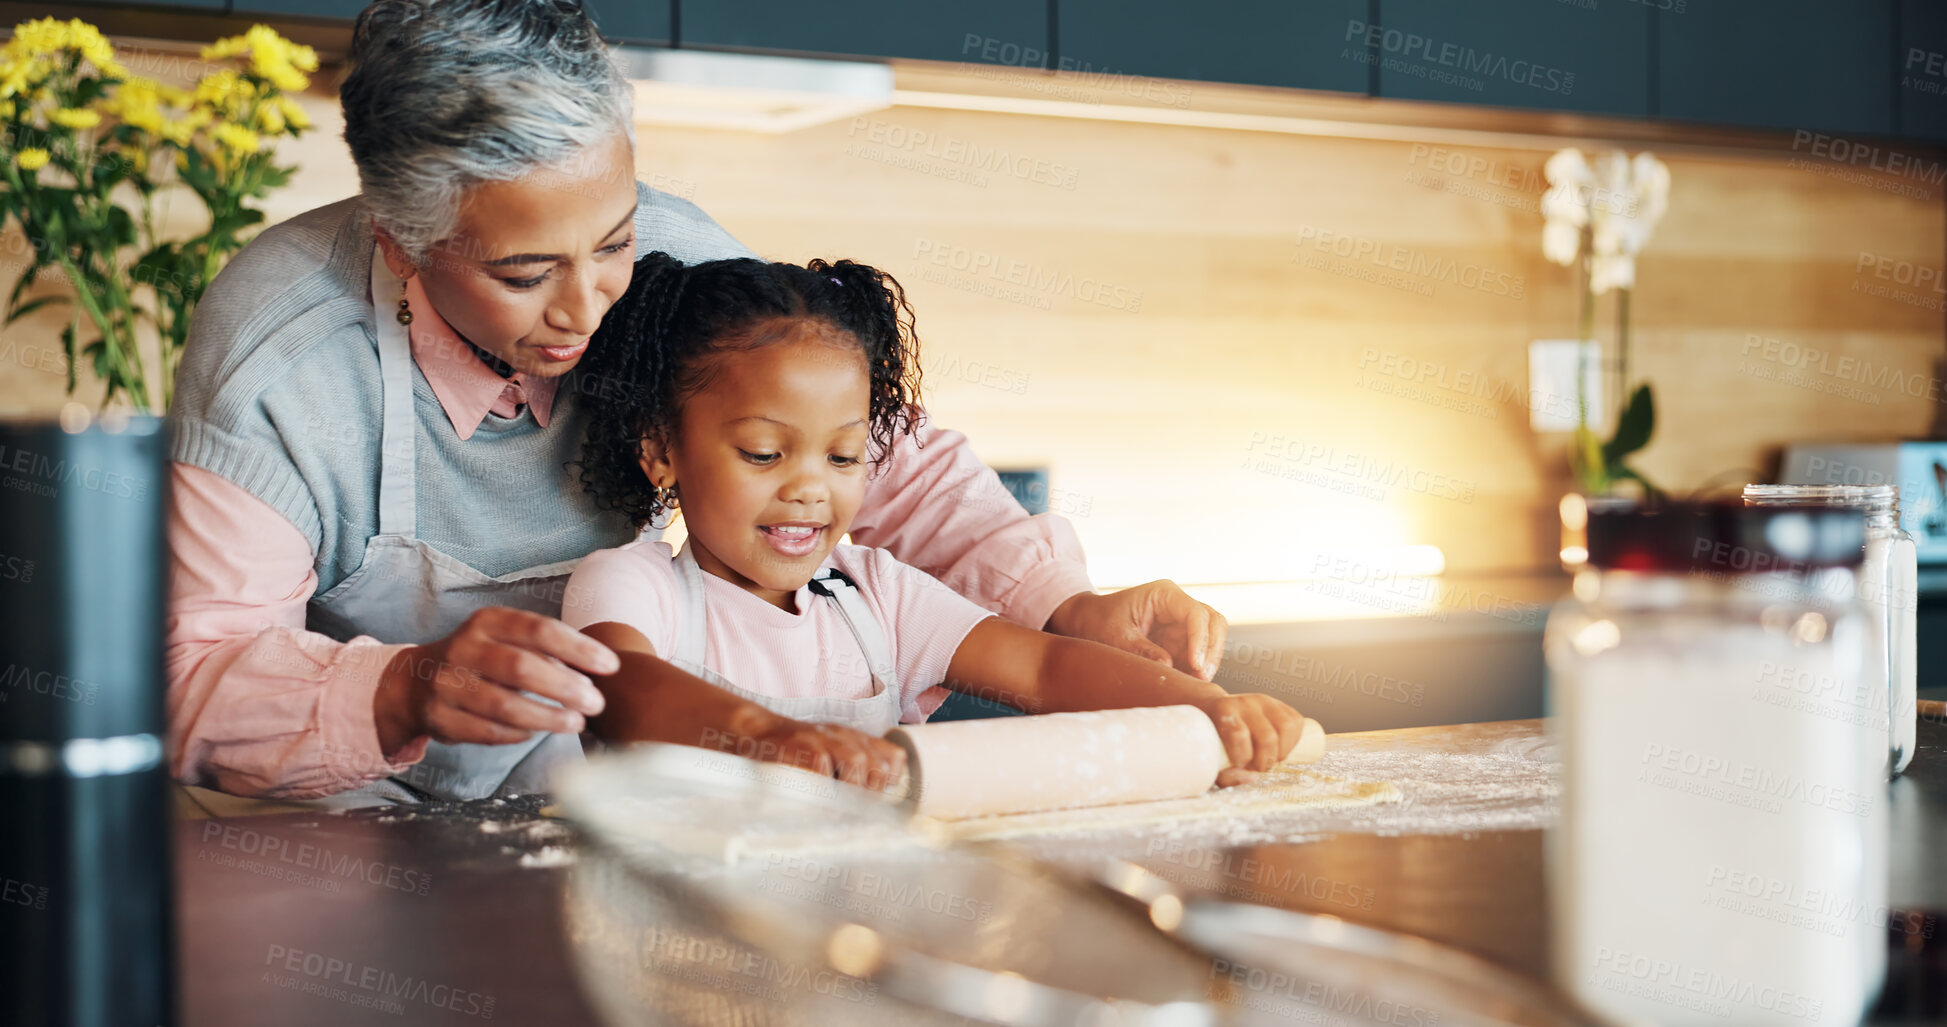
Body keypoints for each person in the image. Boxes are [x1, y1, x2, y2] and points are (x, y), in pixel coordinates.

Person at [164, 0, 1230, 808]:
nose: (588, 306)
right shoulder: (281, 358)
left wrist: (1060, 606)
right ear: (402, 245)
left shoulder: (675, 260)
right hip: (361, 846)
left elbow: (874, 455)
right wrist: (404, 688)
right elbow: (195, 674)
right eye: (527, 273)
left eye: (613, 240)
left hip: (608, 823)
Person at [563, 252, 1304, 788]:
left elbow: (1045, 666)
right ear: (661, 451)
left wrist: (1210, 707)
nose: (809, 489)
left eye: (844, 456)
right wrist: (770, 737)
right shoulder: (632, 585)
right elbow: (624, 690)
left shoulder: (877, 596)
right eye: (763, 453)